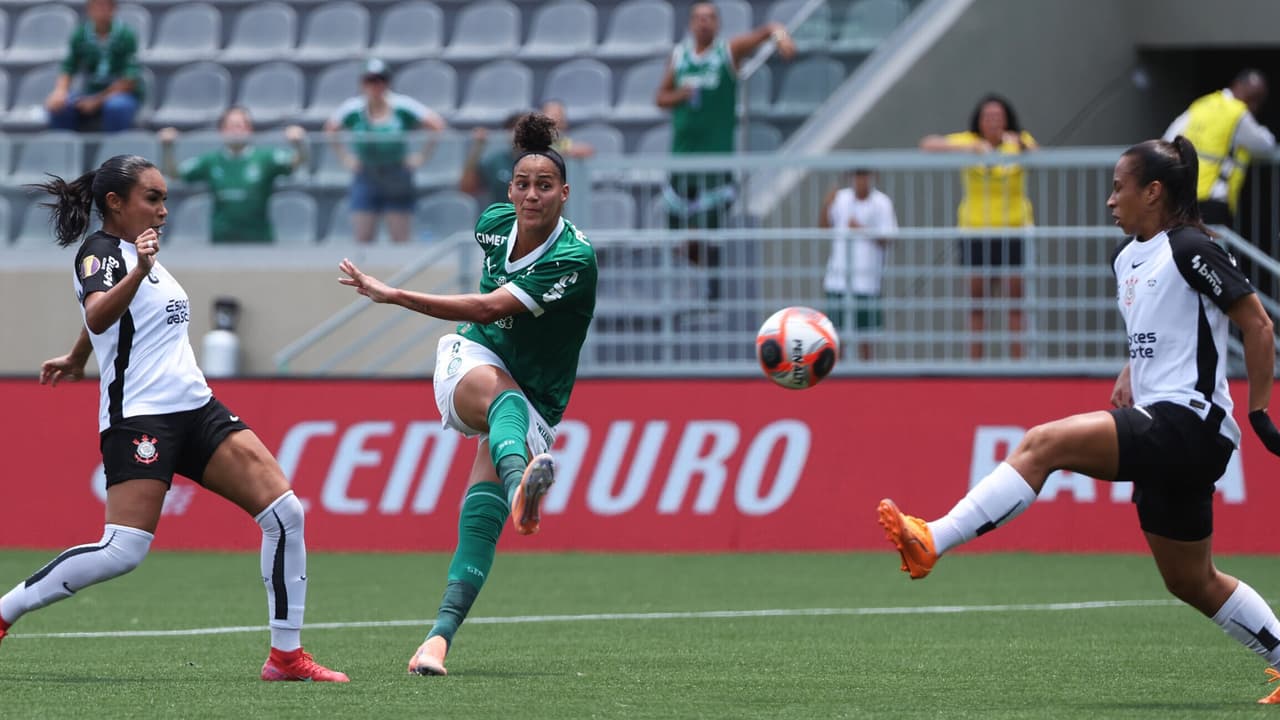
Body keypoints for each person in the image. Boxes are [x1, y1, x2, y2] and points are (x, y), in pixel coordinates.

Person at [877, 136, 1280, 704]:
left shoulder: (1191, 246)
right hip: (1165, 423)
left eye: (1119, 188)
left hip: (1190, 424)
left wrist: (1259, 412)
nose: (1110, 200)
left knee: (1042, 444)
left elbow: (1257, 324)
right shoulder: (1126, 257)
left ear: (1153, 191)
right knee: (1191, 580)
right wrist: (1131, 368)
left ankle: (932, 539)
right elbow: (1168, 326)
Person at [0, 155, 347, 683]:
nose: (164, 210)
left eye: (164, 199)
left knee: (285, 514)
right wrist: (137, 274)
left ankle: (285, 657)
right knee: (123, 550)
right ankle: (5, 611)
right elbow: (98, 313)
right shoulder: (102, 252)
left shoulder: (141, 253)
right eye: (153, 198)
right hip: (142, 418)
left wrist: (77, 356)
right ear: (115, 203)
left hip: (197, 408)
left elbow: (116, 321)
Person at [337, 113, 597, 677]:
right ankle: (522, 482)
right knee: (503, 404)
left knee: (482, 523)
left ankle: (436, 641)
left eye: (545, 185)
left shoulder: (574, 259)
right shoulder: (492, 224)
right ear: (510, 190)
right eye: (523, 184)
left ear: (564, 194)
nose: (532, 195)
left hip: (540, 397)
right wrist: (396, 295)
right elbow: (481, 318)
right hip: (471, 359)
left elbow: (489, 303)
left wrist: (395, 294)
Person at [655, 2, 795, 302]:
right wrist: (681, 94)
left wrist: (780, 36)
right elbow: (660, 98)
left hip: (716, 162)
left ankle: (716, 293)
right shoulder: (680, 56)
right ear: (690, 24)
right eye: (698, 18)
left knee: (714, 233)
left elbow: (766, 31)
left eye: (710, 18)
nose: (704, 23)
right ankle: (702, 283)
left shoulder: (727, 51)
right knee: (678, 233)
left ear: (717, 24)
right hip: (682, 160)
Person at [920, 94, 1038, 360]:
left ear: (1006, 120)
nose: (993, 122)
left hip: (1013, 230)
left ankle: (1019, 364)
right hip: (975, 231)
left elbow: (1038, 154)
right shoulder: (969, 141)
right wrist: (968, 149)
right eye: (988, 117)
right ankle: (975, 365)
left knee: (1016, 302)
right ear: (979, 120)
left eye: (998, 117)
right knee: (976, 302)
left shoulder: (1019, 140)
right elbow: (927, 144)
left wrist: (1019, 144)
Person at [325, 58, 447, 244]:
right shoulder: (353, 108)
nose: (375, 85)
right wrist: (345, 158)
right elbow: (330, 128)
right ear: (363, 83)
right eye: (370, 80)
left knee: (400, 239)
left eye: (380, 79)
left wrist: (422, 157)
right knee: (363, 239)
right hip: (366, 175)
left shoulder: (402, 106)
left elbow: (436, 124)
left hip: (396, 175)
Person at [158, 107, 308, 244]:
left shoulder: (265, 158)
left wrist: (299, 144)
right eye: (231, 126)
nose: (237, 130)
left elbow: (296, 163)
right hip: (222, 241)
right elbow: (175, 174)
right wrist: (167, 148)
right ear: (222, 130)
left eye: (241, 125)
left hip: (260, 241)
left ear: (250, 129)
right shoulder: (211, 161)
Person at [1163, 69, 1275, 228]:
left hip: (1184, 194)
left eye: (1258, 100)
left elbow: (1168, 138)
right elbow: (1264, 145)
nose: (1254, 105)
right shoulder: (1237, 113)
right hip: (1213, 197)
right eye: (1253, 98)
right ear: (1237, 85)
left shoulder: (1203, 104)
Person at [819, 169, 898, 361]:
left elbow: (889, 238)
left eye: (864, 176)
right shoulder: (840, 199)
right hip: (838, 278)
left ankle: (868, 374)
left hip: (867, 281)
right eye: (857, 176)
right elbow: (823, 229)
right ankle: (837, 373)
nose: (860, 180)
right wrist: (826, 205)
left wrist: (863, 230)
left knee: (867, 337)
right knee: (836, 336)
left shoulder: (882, 202)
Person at [46, 0, 144, 133]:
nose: (101, 10)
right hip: (91, 92)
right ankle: (63, 145)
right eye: (97, 6)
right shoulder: (81, 34)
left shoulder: (126, 35)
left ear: (113, 9)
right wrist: (60, 91)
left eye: (105, 5)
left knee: (116, 107)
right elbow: (69, 67)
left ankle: (115, 145)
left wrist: (97, 101)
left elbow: (129, 79)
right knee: (60, 106)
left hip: (122, 94)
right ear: (89, 9)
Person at [458, 111, 524, 208]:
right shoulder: (495, 161)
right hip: (502, 216)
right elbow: (466, 188)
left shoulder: (543, 162)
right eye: (512, 128)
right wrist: (477, 148)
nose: (517, 133)